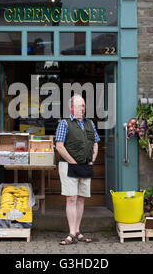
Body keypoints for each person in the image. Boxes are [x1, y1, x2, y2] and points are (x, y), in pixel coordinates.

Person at [55, 94, 100, 245]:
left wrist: (92, 159)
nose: (82, 108)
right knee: (71, 198)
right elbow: (59, 146)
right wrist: (72, 161)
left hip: (86, 165)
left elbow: (95, 143)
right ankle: (71, 233)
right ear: (72, 108)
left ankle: (78, 230)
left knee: (81, 199)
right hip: (69, 166)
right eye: (79, 105)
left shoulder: (90, 123)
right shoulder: (64, 123)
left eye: (84, 105)